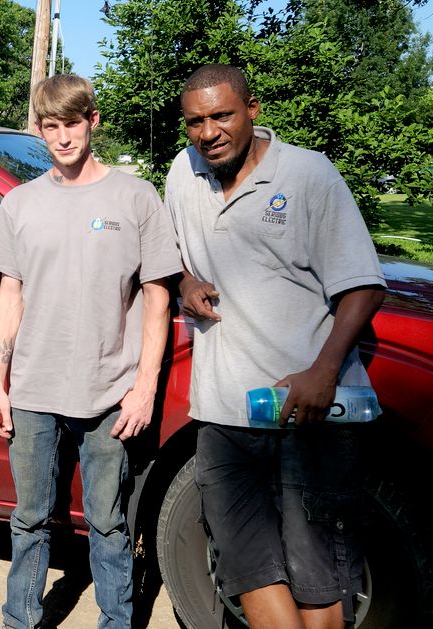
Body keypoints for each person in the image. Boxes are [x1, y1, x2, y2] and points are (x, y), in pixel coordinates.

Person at [166, 64, 386, 628]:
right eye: (195, 121)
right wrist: (185, 282)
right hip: (224, 414)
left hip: (307, 417)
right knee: (248, 571)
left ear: (252, 110)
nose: (208, 132)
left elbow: (361, 284)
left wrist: (323, 372)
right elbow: (175, 259)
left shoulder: (308, 174)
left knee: (318, 584)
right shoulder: (181, 173)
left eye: (222, 116)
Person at [0, 74, 181, 629]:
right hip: (34, 390)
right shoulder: (20, 203)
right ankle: (20, 620)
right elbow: (10, 295)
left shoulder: (135, 197)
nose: (63, 137)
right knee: (29, 520)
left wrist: (144, 388)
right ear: (39, 130)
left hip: (110, 392)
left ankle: (115, 621)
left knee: (110, 523)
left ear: (93, 121)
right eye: (51, 127)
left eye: (72, 123)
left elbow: (158, 299)